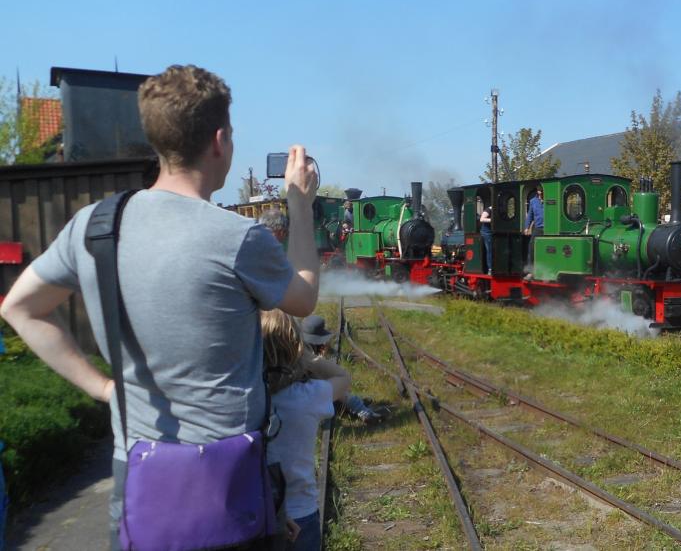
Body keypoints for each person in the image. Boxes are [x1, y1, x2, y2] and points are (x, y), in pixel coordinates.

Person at [0, 64, 321, 550]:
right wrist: (299, 205)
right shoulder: (236, 237)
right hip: (229, 480)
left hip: (140, 479)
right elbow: (303, 298)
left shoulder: (94, 226)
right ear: (219, 140)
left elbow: (20, 309)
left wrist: (105, 389)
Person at [262, 310, 351, 550]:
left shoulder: (244, 396)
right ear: (296, 346)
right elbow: (342, 376)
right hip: (300, 512)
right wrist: (305, 357)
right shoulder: (308, 396)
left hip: (256, 513)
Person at [300, 315, 389, 425]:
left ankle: (357, 406)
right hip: (305, 403)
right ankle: (362, 411)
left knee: (334, 391)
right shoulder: (309, 359)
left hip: (297, 397)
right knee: (336, 386)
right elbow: (331, 381)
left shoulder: (297, 349)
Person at [523, 186, 545, 281]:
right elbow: (530, 215)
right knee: (531, 248)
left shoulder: (550, 199)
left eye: (541, 190)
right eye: (539, 190)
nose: (540, 191)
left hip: (550, 228)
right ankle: (530, 272)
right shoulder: (533, 201)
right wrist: (527, 227)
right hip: (538, 227)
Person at [479, 205, 493, 275]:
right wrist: (492, 219)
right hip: (486, 232)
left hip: (493, 232)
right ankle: (490, 269)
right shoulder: (488, 210)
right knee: (490, 250)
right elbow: (482, 219)